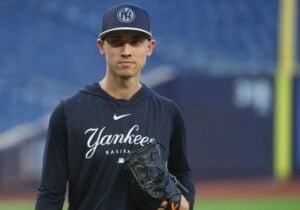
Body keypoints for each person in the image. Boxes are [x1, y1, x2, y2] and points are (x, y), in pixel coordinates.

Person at [35, 3, 195, 210]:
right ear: (102, 46)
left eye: (136, 41)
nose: (126, 51)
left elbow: (183, 172)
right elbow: (50, 193)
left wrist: (185, 202)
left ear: (150, 47)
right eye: (116, 41)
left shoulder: (168, 112)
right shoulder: (68, 113)